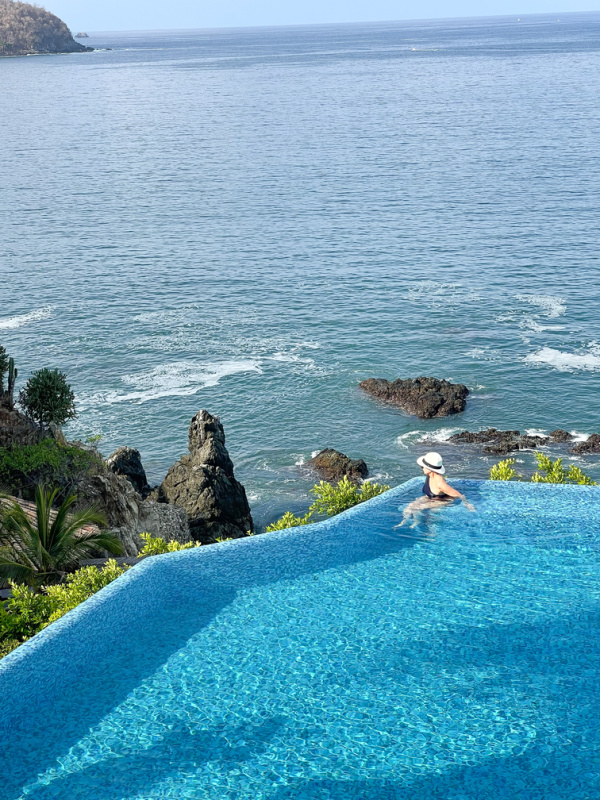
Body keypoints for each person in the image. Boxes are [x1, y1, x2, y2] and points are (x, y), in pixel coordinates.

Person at [397, 451, 474, 529]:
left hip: (441, 500)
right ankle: (404, 522)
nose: (421, 467)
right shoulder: (429, 475)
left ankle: (416, 524)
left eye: (422, 466)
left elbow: (458, 494)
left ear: (430, 469)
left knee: (418, 509)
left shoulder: (440, 484)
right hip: (430, 497)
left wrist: (467, 504)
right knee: (409, 507)